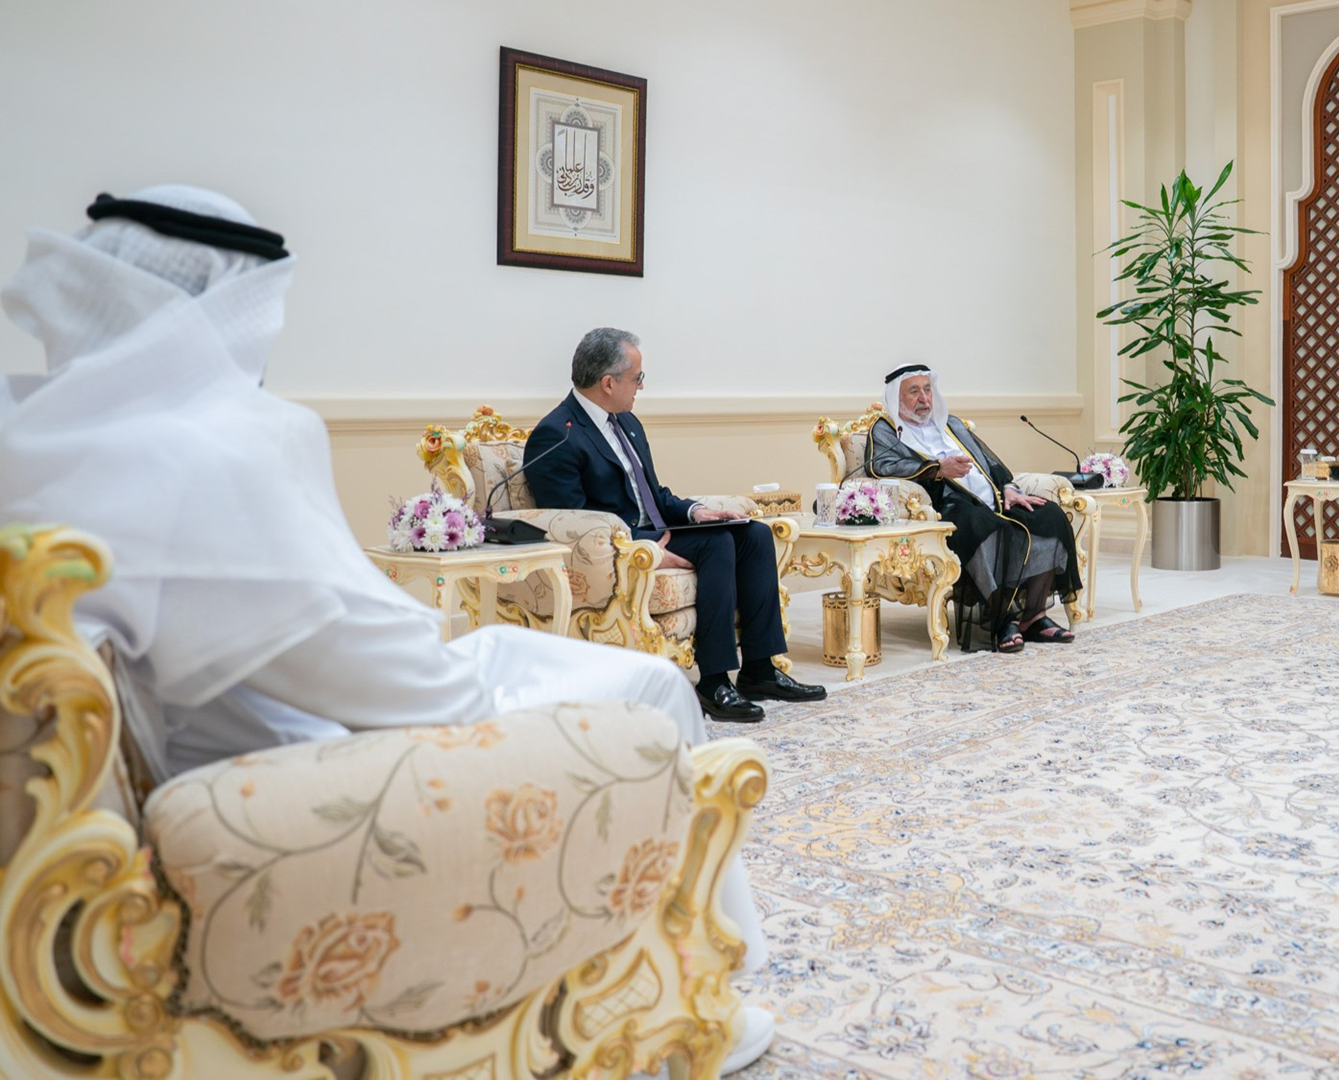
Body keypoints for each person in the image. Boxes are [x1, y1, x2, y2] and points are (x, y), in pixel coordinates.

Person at [0, 186, 773, 1072]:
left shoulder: (42, 439)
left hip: (220, 744)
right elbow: (411, 688)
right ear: (227, 305)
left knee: (689, 565)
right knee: (653, 686)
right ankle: (697, 991)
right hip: (314, 759)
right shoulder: (220, 445)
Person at [523, 329, 825, 721]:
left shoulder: (627, 422)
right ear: (608, 383)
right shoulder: (557, 434)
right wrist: (643, 548)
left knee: (754, 534)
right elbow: (574, 521)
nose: (641, 387)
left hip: (660, 530)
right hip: (625, 544)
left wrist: (697, 512)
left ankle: (760, 671)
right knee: (717, 544)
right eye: (637, 378)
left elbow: (654, 494)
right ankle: (714, 682)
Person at [865, 364, 1082, 651]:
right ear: (896, 398)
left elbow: (989, 462)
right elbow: (881, 466)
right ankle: (1002, 621)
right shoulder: (886, 430)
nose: (924, 398)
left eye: (927, 390)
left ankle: (1033, 616)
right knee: (984, 526)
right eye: (914, 392)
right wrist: (937, 468)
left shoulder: (951, 424)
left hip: (993, 501)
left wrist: (1009, 488)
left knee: (1050, 515)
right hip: (950, 506)